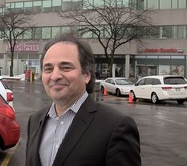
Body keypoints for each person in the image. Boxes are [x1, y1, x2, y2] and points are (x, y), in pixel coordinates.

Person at [26, 32, 141, 166]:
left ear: (86, 75)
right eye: (48, 68)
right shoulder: (35, 120)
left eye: (66, 67)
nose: (55, 75)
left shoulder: (116, 126)